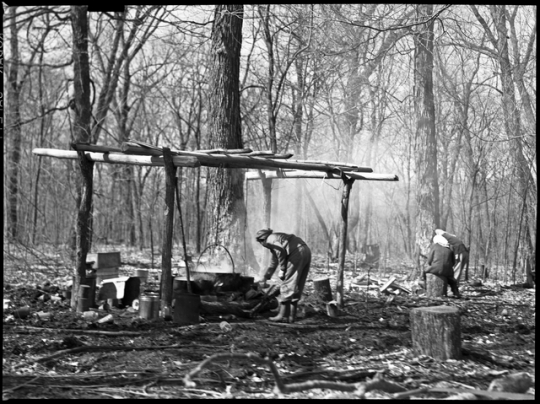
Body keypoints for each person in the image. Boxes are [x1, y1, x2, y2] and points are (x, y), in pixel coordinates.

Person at [255, 228, 311, 323]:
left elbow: (280, 251)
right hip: (305, 250)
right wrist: (266, 277)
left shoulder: (270, 240)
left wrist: (282, 269)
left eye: (260, 242)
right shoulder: (276, 241)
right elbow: (273, 263)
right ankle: (291, 316)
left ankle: (282, 316)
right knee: (297, 284)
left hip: (296, 253)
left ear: (262, 239)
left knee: (287, 284)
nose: (262, 245)